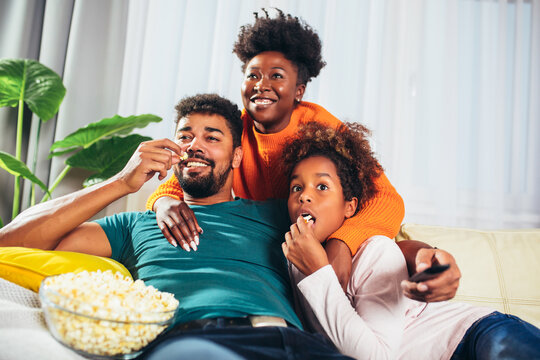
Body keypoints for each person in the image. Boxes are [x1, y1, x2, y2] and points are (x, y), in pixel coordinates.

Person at [0, 94, 353, 360]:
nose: (194, 146)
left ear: (236, 157)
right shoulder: (134, 226)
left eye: (212, 138)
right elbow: (9, 241)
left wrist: (345, 246)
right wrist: (122, 183)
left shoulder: (278, 213)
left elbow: (362, 216)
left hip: (291, 342)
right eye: (185, 136)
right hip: (192, 342)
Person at [145, 8, 459, 301]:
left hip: (326, 250)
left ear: (299, 90)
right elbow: (195, 166)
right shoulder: (232, 129)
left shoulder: (322, 127)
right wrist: (163, 200)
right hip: (274, 258)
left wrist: (342, 244)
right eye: (253, 75)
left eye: (277, 76)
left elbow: (385, 199)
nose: (261, 86)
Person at [281, 122, 540, 360]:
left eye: (322, 187)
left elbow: (375, 357)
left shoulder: (375, 252)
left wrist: (319, 271)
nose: (305, 196)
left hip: (478, 336)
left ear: (349, 207)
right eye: (297, 188)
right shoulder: (293, 261)